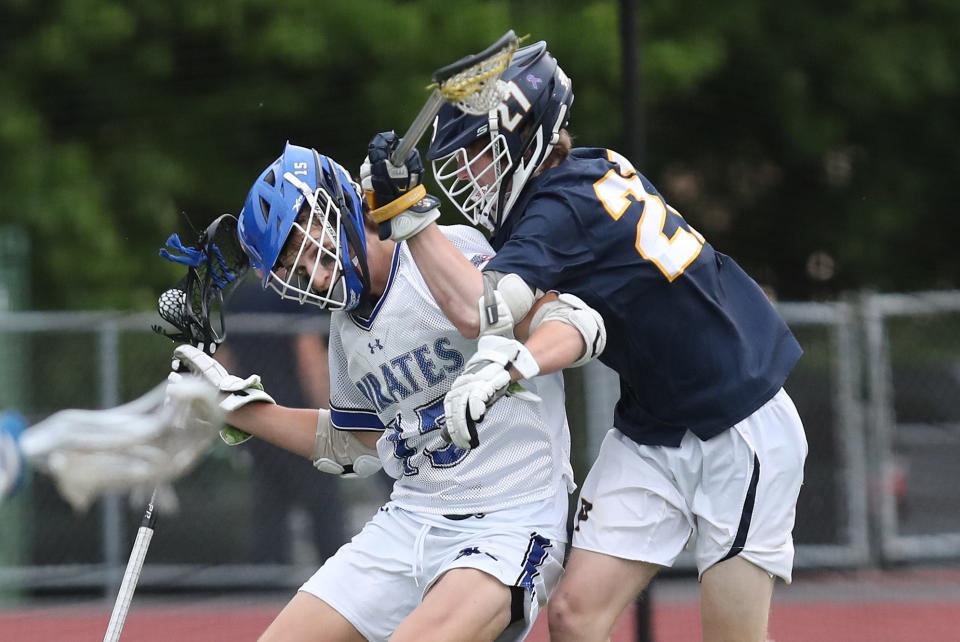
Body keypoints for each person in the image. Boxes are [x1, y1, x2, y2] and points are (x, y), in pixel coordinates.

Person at [364, 40, 808, 642]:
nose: (467, 174)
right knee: (575, 616)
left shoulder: (564, 205)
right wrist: (396, 214)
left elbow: (480, 308)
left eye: (476, 154)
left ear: (525, 137)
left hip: (739, 422)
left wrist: (413, 215)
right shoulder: (584, 174)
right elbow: (527, 311)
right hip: (655, 426)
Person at [171, 142, 607, 642]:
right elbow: (352, 442)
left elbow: (566, 321)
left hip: (508, 520)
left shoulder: (445, 254)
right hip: (409, 519)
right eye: (297, 271)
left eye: (315, 250)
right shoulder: (345, 328)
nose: (317, 276)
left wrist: (509, 365)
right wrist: (229, 404)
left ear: (348, 206)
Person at [220, 277, 350, 565]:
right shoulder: (292, 292)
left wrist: (233, 411)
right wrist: (331, 412)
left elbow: (224, 359)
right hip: (299, 417)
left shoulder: (239, 295)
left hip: (258, 419)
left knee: (269, 505)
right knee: (324, 505)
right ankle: (336, 576)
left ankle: (266, 584)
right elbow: (309, 357)